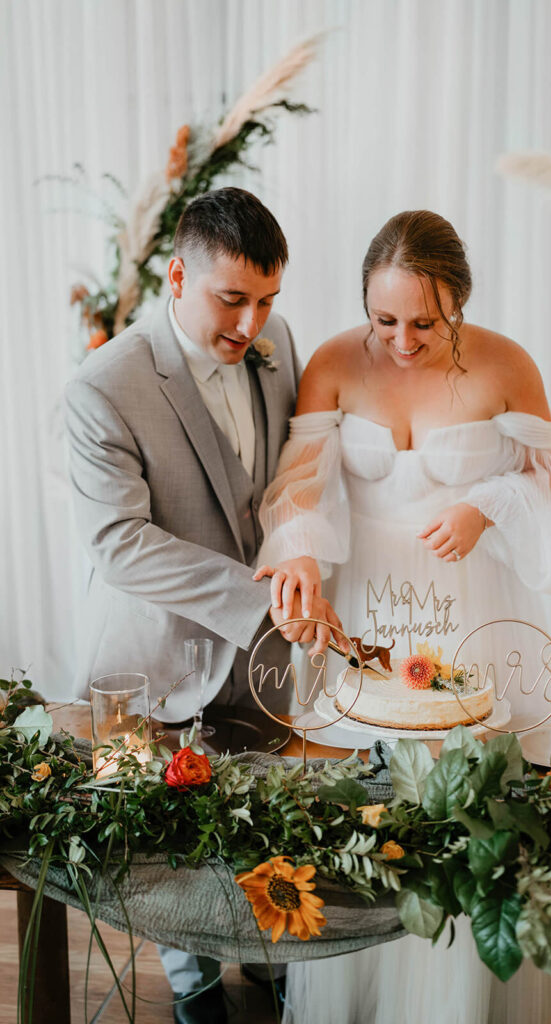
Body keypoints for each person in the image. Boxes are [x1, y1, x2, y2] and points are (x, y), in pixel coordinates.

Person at [255, 210, 551, 1023]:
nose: (401, 340)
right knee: (372, 809)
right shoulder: (333, 361)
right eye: (384, 320)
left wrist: (484, 504)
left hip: (474, 609)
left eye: (424, 323)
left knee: (473, 806)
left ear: (459, 307)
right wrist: (296, 551)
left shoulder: (507, 366)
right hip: (370, 610)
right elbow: (298, 485)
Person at [64, 187, 342, 1024]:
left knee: (262, 810)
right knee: (167, 839)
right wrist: (257, 603)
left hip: (261, 659)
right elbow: (116, 543)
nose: (252, 323)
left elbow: (288, 480)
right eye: (232, 299)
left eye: (266, 301)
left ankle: (265, 953)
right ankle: (191, 987)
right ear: (178, 275)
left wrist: (300, 563)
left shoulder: (279, 341)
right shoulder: (101, 386)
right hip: (155, 654)